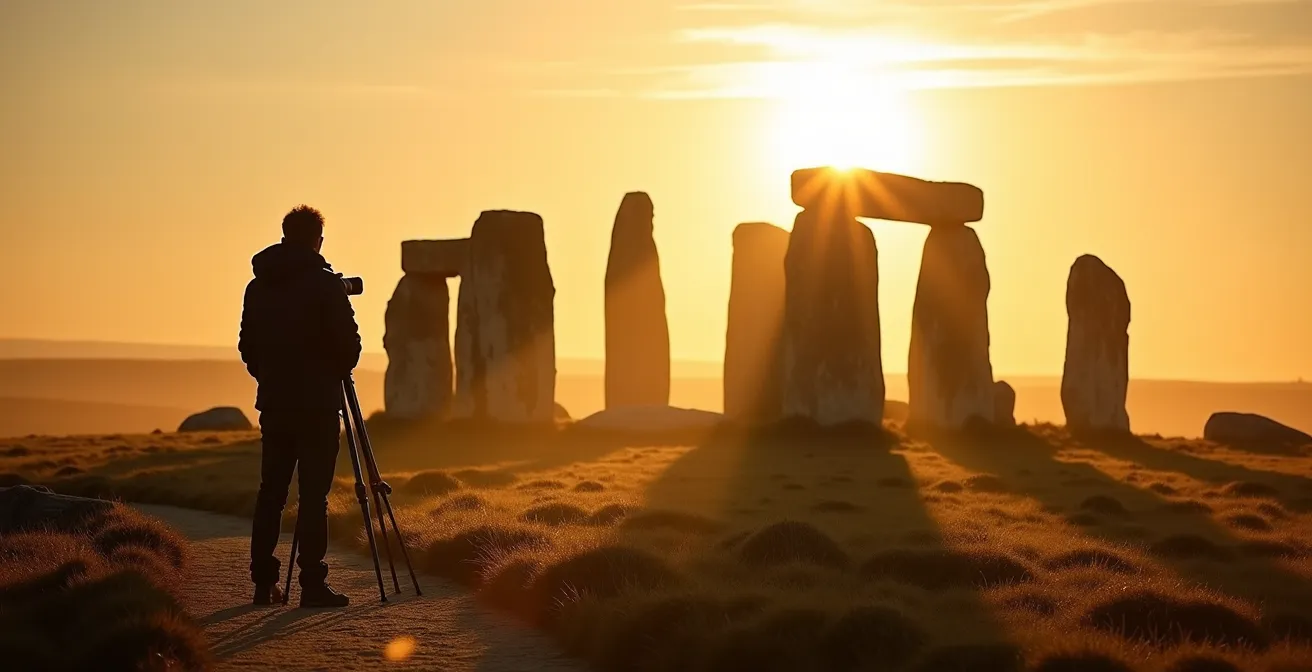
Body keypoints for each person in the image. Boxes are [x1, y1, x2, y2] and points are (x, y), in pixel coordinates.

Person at [238, 205, 361, 608]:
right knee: (313, 497)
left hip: (274, 403)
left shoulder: (258, 286)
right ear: (317, 240)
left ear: (284, 235)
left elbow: (247, 347)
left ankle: (262, 583)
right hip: (318, 406)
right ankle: (311, 584)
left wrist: (271, 377)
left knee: (270, 492)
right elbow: (349, 349)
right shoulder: (325, 285)